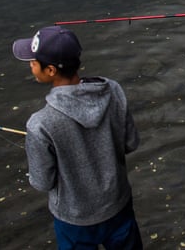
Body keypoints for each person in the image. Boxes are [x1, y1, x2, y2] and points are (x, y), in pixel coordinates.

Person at [12, 25, 144, 249]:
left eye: (33, 62)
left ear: (51, 70)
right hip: (118, 205)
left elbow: (42, 182)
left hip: (74, 221)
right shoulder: (113, 90)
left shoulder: (40, 124)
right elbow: (131, 143)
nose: (30, 66)